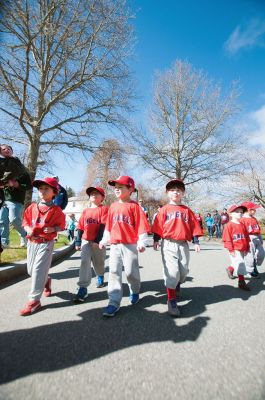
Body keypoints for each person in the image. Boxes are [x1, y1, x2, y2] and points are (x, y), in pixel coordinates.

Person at [99, 175, 150, 317]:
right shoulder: (113, 206)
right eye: (115, 187)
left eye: (121, 187)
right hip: (115, 245)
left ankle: (134, 290)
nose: (117, 189)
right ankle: (113, 302)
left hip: (130, 245)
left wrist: (142, 242)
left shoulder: (134, 207)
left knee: (130, 272)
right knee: (114, 272)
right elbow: (108, 227)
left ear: (130, 189)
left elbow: (141, 226)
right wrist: (104, 240)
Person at [152, 179, 203, 317]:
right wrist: (156, 240)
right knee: (172, 272)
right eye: (172, 190)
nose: (176, 192)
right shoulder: (164, 210)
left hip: (183, 244)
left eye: (178, 190)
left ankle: (177, 283)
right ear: (168, 193)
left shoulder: (187, 210)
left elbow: (194, 227)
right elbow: (158, 226)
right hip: (168, 243)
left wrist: (196, 242)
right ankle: (171, 300)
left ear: (183, 193)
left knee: (183, 271)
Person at [19, 177, 65, 316]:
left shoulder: (56, 210)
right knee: (31, 271)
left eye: (46, 189)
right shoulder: (32, 207)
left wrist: (53, 229)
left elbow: (61, 226)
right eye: (40, 189)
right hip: (32, 242)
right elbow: (25, 223)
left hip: (46, 243)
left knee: (38, 270)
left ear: (54, 192)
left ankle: (34, 301)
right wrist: (28, 230)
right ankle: (47, 280)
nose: (42, 191)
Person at [73, 186, 108, 302]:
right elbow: (80, 227)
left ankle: (100, 275)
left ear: (102, 197)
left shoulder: (104, 209)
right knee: (84, 261)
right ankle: (83, 287)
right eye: (92, 193)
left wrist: (97, 241)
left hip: (98, 242)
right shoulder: (85, 211)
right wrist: (78, 241)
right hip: (86, 241)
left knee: (99, 262)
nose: (93, 195)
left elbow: (103, 226)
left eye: (97, 193)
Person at [0, 144, 31, 248]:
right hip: (2, 198)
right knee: (2, 221)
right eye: (3, 149)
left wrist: (17, 184)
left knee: (14, 219)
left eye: (9, 148)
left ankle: (25, 235)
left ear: (12, 151)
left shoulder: (20, 167)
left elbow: (28, 185)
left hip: (15, 199)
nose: (6, 150)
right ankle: (4, 242)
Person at [222, 204, 250, 291]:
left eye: (241, 212)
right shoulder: (229, 225)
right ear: (230, 214)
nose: (240, 213)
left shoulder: (242, 224)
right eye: (237, 212)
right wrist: (231, 249)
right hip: (234, 248)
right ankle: (241, 282)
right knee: (240, 263)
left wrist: (247, 247)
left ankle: (230, 269)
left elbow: (246, 237)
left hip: (242, 247)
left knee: (236, 262)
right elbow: (227, 238)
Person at [240, 201, 265, 278]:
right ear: (248, 209)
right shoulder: (242, 220)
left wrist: (260, 238)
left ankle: (255, 266)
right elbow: (241, 231)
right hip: (249, 238)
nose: (255, 211)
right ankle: (250, 271)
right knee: (250, 256)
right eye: (254, 209)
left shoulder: (254, 218)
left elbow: (258, 229)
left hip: (257, 237)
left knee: (261, 253)